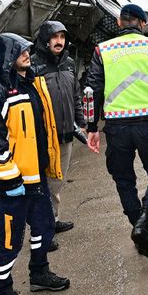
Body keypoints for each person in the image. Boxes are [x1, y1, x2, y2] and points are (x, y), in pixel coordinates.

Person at [0, 33, 70, 295]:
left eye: (28, 49)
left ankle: (40, 273)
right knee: (9, 241)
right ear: (7, 56)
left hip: (35, 178)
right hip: (9, 186)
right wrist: (11, 178)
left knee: (44, 228)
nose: (27, 54)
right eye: (20, 51)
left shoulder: (30, 84)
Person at [84, 4, 148, 259]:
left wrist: (92, 128)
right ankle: (143, 222)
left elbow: (91, 91)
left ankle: (138, 226)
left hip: (117, 126)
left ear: (120, 22)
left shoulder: (104, 50)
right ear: (142, 24)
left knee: (124, 180)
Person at [31, 21, 85, 252]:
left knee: (57, 181)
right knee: (45, 185)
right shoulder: (33, 66)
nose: (59, 41)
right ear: (45, 40)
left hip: (65, 135)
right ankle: (42, 232)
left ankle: (52, 220)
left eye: (62, 36)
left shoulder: (69, 63)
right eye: (54, 37)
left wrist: (81, 122)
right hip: (43, 138)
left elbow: (75, 94)